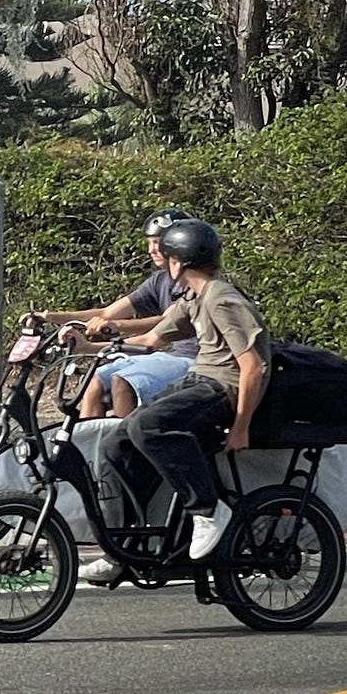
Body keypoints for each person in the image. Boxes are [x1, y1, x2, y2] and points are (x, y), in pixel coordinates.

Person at [80, 219, 271, 583]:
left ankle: (209, 510)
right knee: (116, 443)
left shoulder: (221, 298)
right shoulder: (195, 298)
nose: (165, 263)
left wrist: (241, 427)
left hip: (221, 389)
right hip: (197, 381)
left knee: (147, 425)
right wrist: (88, 346)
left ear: (178, 263)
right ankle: (124, 547)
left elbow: (253, 366)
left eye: (167, 256)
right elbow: (152, 340)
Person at [25, 208, 199, 418]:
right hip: (170, 357)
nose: (151, 250)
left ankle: (123, 447)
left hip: (194, 361)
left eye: (158, 242)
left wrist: (110, 331)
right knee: (95, 379)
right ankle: (87, 446)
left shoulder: (195, 282)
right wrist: (49, 317)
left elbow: (163, 324)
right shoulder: (159, 281)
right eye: (149, 242)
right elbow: (108, 312)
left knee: (122, 382)